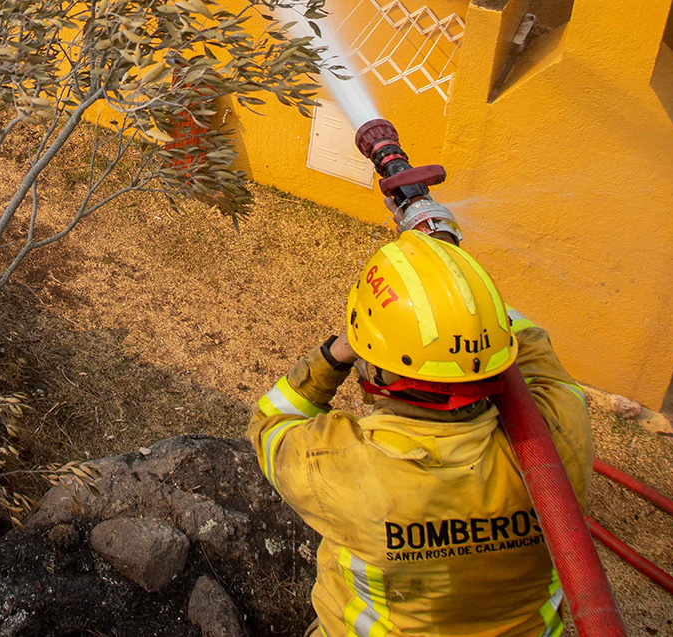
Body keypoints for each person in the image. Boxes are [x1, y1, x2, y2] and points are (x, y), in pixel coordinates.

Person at [249, 225, 591, 636]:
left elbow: (271, 423)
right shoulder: (561, 430)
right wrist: (453, 275)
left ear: (374, 367)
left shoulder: (339, 466)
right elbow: (529, 342)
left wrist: (336, 353)